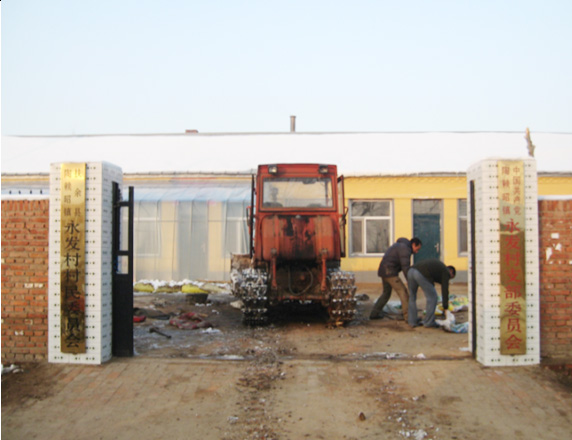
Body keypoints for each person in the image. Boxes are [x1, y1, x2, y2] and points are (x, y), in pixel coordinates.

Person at [370, 237, 422, 322]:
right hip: (390, 272)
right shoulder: (405, 249)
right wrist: (410, 281)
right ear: (413, 244)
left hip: (383, 271)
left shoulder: (400, 245)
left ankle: (374, 313)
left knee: (386, 293)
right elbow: (405, 267)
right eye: (417, 249)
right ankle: (409, 317)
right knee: (403, 292)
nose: (417, 252)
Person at [407, 259, 456, 328]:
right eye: (450, 278)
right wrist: (445, 307)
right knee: (432, 297)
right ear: (451, 272)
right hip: (420, 273)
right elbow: (445, 290)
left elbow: (431, 279)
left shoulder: (439, 268)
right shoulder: (446, 272)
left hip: (411, 271)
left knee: (412, 297)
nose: (448, 279)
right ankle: (428, 322)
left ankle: (412, 321)